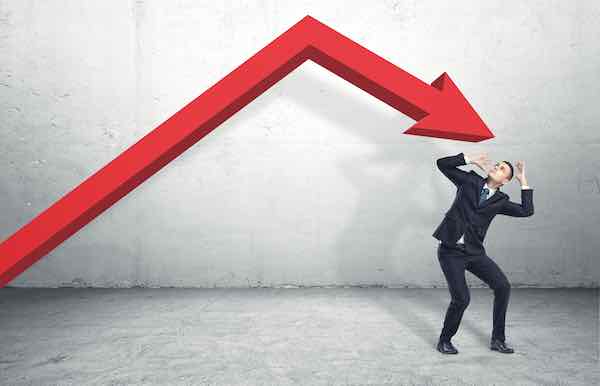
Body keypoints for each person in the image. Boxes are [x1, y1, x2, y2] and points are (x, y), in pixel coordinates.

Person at [432, 151, 534, 354]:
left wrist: (523, 180)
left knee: (503, 286)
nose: (497, 167)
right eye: (497, 164)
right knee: (461, 299)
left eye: (503, 168)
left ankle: (498, 340)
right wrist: (469, 159)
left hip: (474, 252)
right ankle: (444, 340)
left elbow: (526, 210)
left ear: (505, 181)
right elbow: (442, 164)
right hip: (450, 251)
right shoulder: (469, 181)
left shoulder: (500, 200)